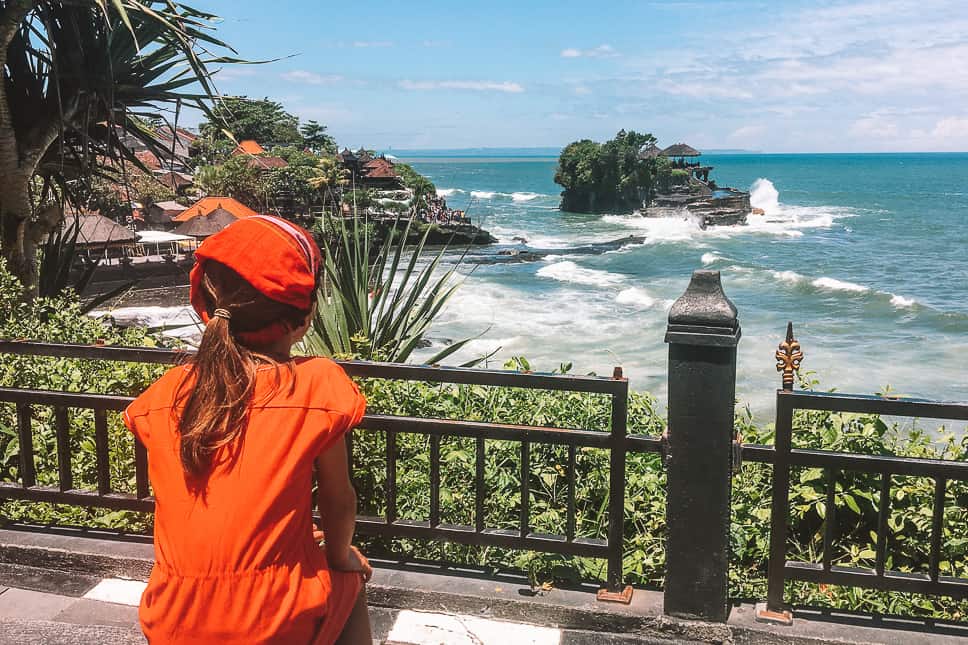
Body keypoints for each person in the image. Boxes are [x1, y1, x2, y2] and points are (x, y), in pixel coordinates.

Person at [123, 215, 373, 644]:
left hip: (172, 615)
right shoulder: (317, 385)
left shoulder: (164, 396)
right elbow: (338, 500)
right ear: (303, 318)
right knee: (350, 579)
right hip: (271, 618)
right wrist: (341, 556)